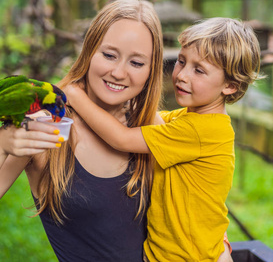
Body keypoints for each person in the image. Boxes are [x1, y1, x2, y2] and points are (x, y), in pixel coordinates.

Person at [0, 0, 232, 261]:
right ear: (89, 52)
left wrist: (222, 248)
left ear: (151, 69)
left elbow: (198, 209)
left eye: (136, 62)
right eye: (109, 55)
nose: (119, 72)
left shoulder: (153, 127)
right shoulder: (51, 127)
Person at [64, 17, 261, 261]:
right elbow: (152, 119)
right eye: (181, 61)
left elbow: (122, 139)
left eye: (198, 70)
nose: (181, 75)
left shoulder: (200, 131)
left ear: (230, 86)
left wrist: (73, 94)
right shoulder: (192, 120)